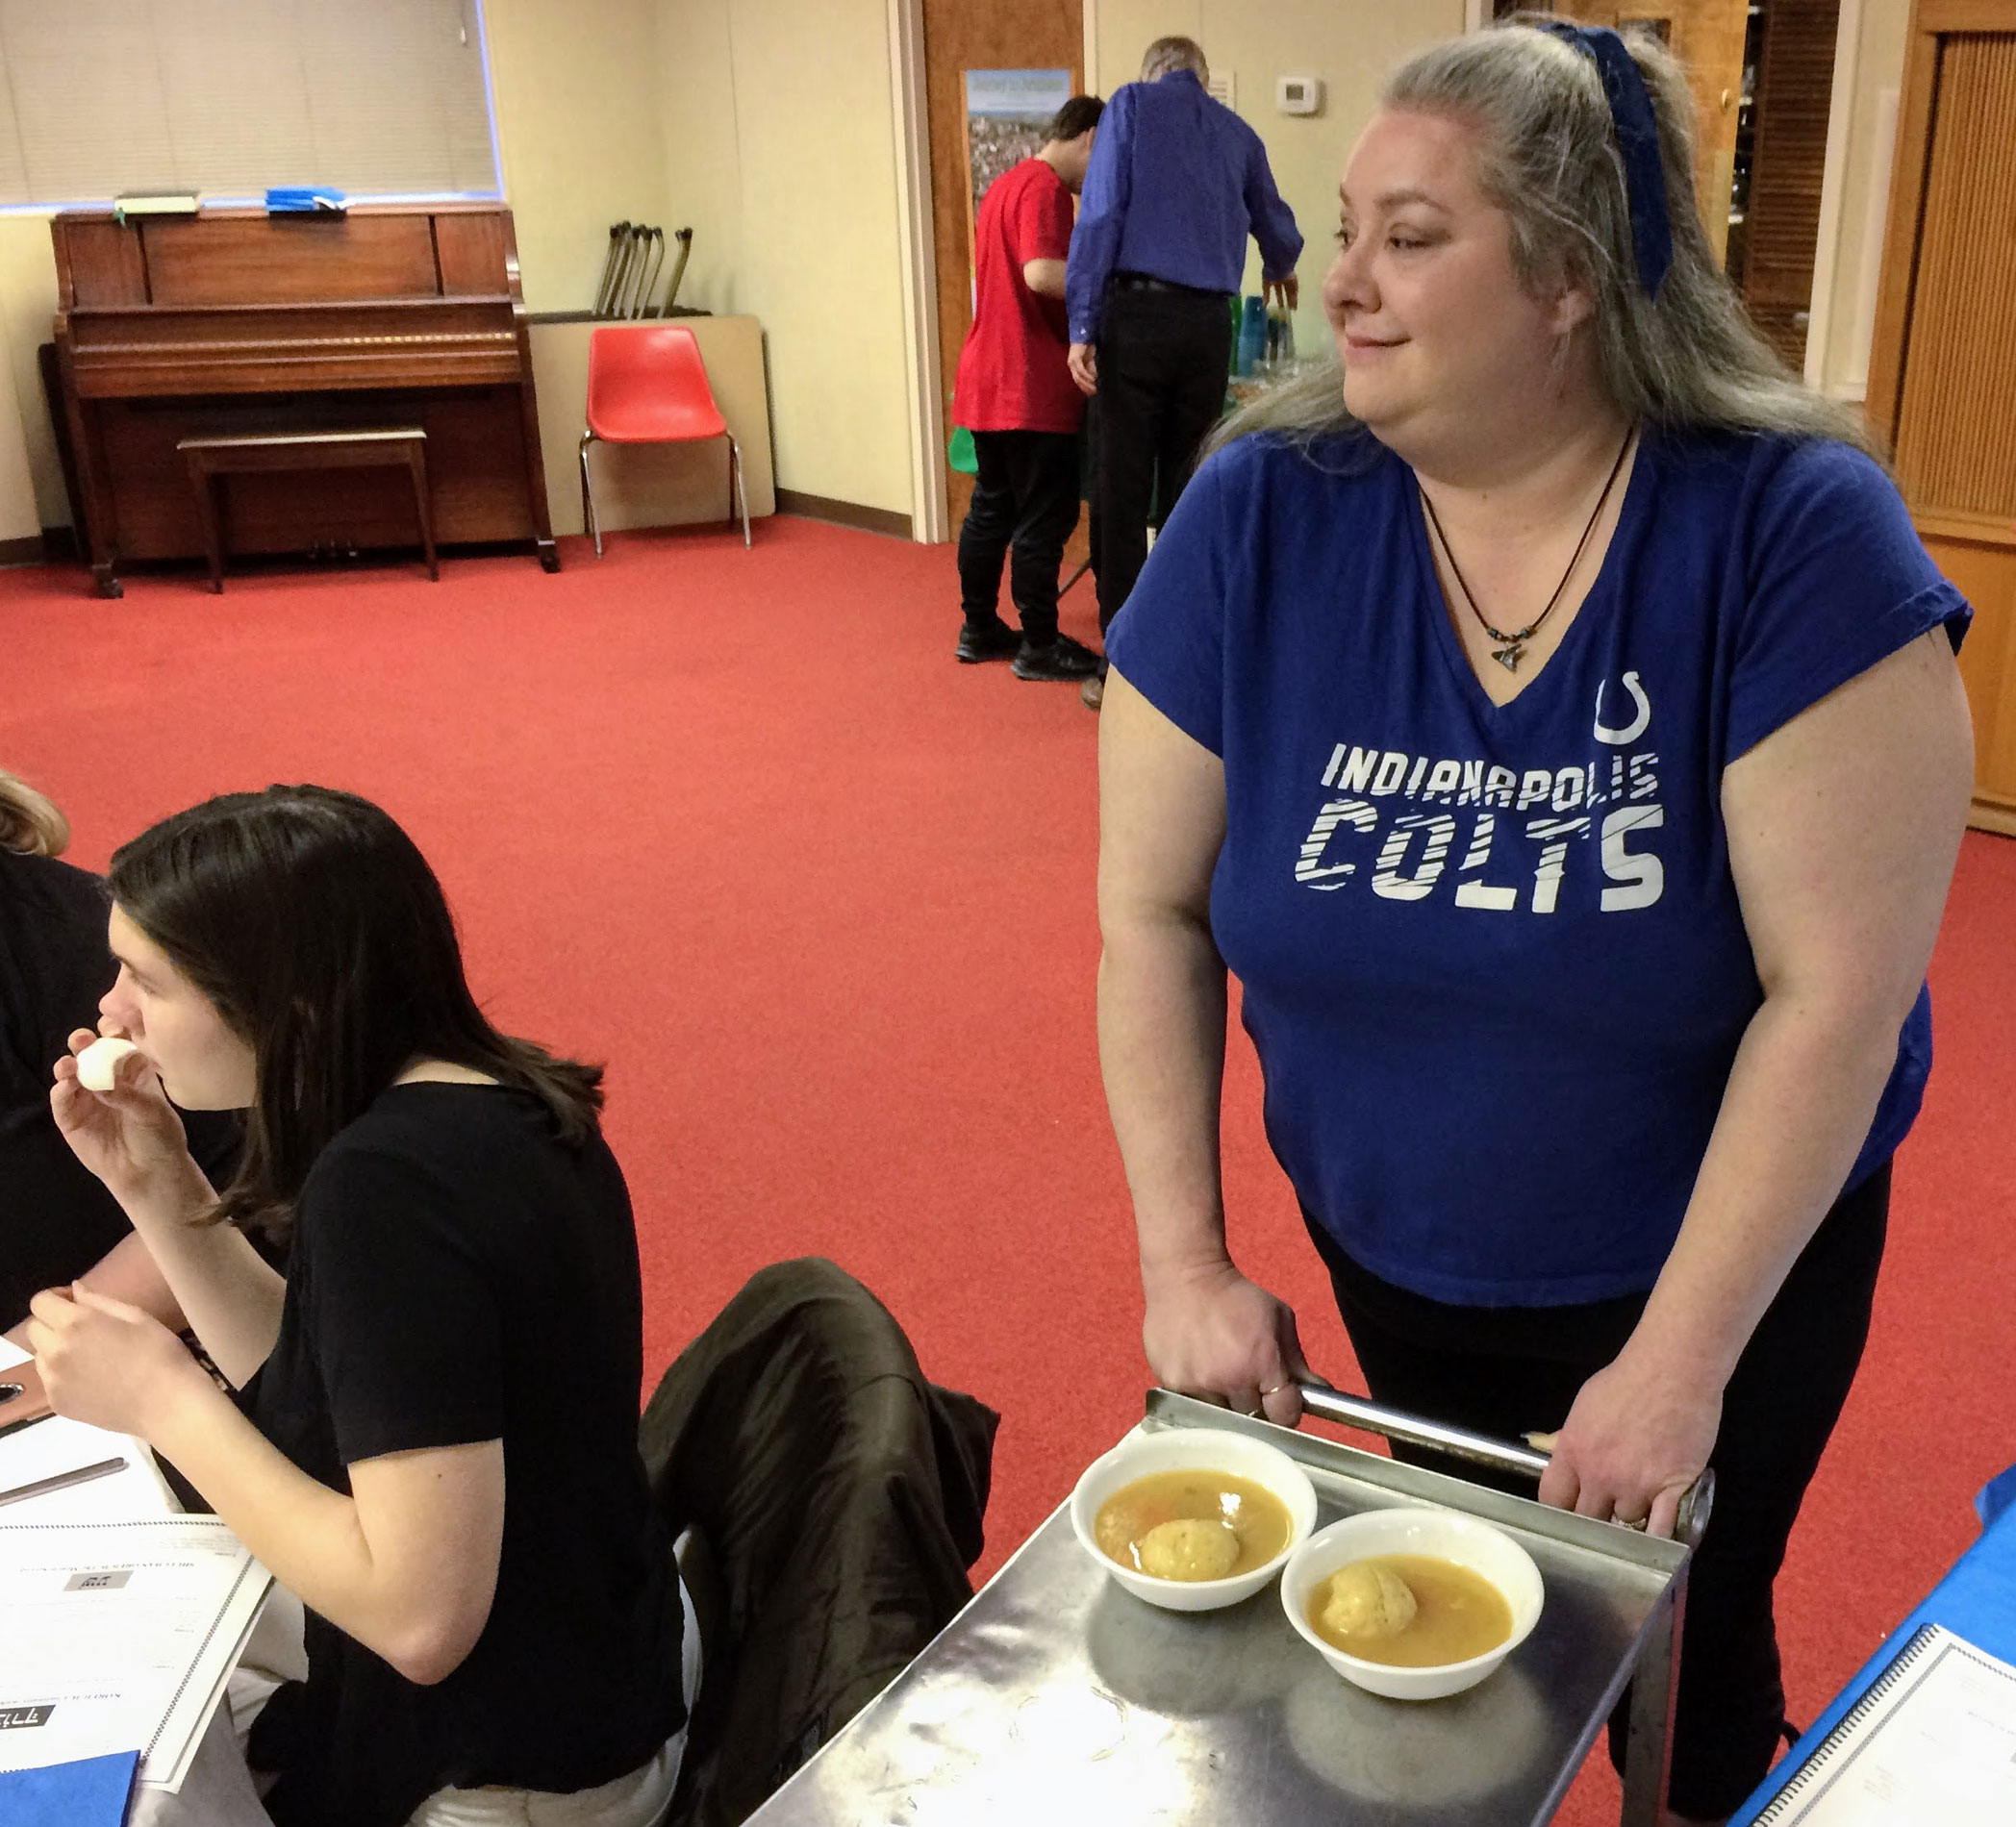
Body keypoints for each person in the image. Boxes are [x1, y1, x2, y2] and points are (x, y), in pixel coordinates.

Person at [1095, 20, 1973, 1825]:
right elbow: (1151, 910)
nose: (1341, 283)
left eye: (1412, 239)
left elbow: (1835, 997)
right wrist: (1184, 1263)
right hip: (1397, 1235)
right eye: (1346, 230)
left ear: (1571, 277)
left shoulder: (1792, 533)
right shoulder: (1264, 511)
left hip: (1711, 1265)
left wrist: (1679, 1364)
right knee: (1458, 1615)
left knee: (1683, 1640)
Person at [27, 786, 693, 1827]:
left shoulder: (384, 1189)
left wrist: (165, 1401)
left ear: (282, 1002)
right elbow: (340, 1395)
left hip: (507, 1778)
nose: (113, 1011)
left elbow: (419, 1618)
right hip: (599, 1670)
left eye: (147, 981)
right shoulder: (489, 1099)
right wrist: (158, 1185)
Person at [1065, 36, 1302, 710]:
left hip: (1136, 320)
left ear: (1152, 73)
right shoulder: (1239, 133)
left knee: (1120, 490)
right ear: (1202, 78)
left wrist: (1082, 324)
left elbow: (1101, 215)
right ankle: (1178, 656)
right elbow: (1276, 224)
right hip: (1207, 327)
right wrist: (1280, 265)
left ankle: (1121, 662)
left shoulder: (1130, 106)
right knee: (1186, 490)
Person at [0, 768, 236, 1344]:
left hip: (95, 1357)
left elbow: (251, 1186)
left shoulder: (71, 943)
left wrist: (23, 1364)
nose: (116, 1008)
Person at [951, 94, 1105, 684]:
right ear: (1090, 137)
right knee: (1046, 513)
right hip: (1029, 381)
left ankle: (978, 628)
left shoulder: (1005, 184)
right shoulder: (1045, 189)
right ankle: (1039, 642)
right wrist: (1104, 283)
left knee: (992, 506)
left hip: (986, 376)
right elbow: (1041, 273)